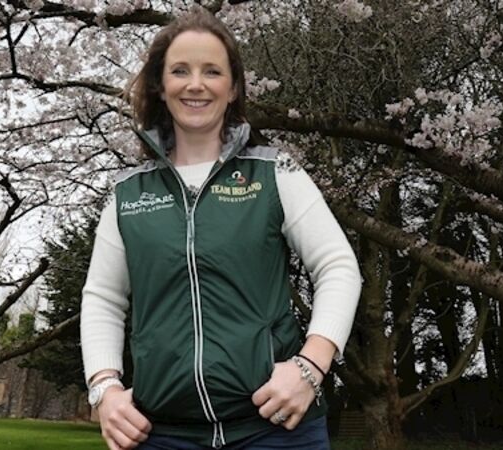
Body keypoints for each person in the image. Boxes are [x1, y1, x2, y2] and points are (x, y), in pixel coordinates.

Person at [80, 7, 360, 450]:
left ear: (232, 88)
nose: (196, 84)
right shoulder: (128, 193)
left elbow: (338, 266)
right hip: (161, 435)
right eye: (180, 71)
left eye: (212, 71)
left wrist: (311, 366)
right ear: (160, 86)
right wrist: (104, 389)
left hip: (275, 430)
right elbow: (103, 298)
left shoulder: (276, 172)